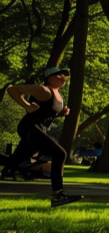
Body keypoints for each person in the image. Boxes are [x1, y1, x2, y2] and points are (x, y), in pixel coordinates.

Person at [4, 67, 82, 206]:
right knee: (60, 154)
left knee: (13, 162)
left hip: (39, 128)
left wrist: (60, 114)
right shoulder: (44, 90)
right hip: (30, 127)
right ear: (49, 77)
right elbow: (12, 89)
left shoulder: (58, 95)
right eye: (59, 75)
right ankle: (58, 194)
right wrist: (26, 106)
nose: (63, 77)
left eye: (64, 75)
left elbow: (45, 113)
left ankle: (58, 195)